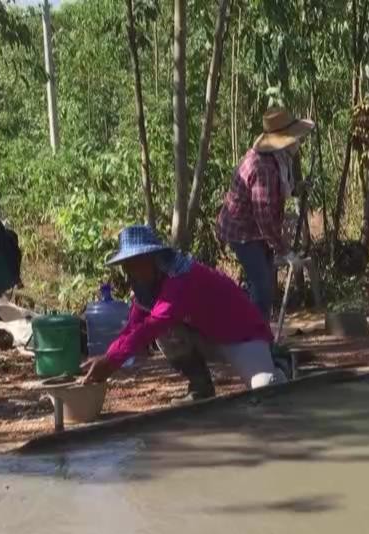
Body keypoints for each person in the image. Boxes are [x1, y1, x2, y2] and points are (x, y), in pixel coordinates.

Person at [82, 225, 283, 401]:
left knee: (266, 388)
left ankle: (281, 365)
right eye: (126, 266)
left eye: (134, 263)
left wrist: (110, 363)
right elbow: (133, 327)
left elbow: (154, 324)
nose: (129, 271)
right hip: (208, 336)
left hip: (241, 336)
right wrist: (108, 357)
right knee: (165, 332)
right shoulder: (146, 286)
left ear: (152, 258)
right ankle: (200, 386)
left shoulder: (181, 278)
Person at [219, 106, 315, 320]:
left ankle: (258, 333)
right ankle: (255, 340)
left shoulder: (277, 162)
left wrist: (298, 187)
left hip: (256, 231)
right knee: (262, 288)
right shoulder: (264, 168)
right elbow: (264, 218)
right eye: (294, 138)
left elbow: (279, 190)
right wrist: (285, 250)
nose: (298, 143)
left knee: (262, 285)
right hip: (243, 233)